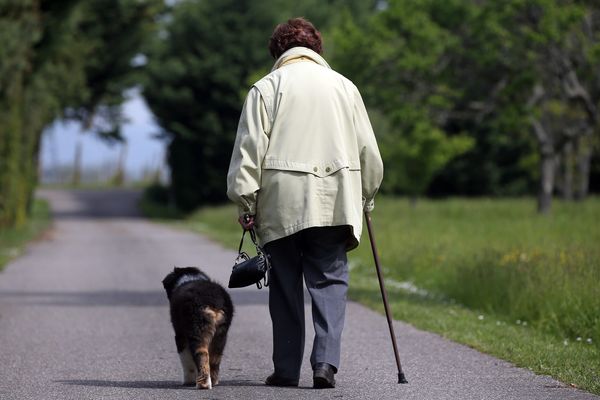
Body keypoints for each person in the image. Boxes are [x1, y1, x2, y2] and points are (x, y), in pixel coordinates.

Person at [226, 17, 383, 389]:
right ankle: (325, 364)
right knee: (330, 280)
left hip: (282, 201)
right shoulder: (346, 88)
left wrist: (246, 203)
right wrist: (366, 197)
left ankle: (285, 369)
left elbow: (249, 154)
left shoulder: (265, 88)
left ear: (278, 52)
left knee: (284, 285)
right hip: (334, 200)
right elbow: (369, 155)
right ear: (317, 50)